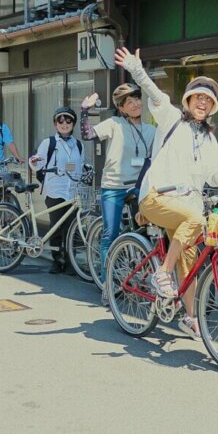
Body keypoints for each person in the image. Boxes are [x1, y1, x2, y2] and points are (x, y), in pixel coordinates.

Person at [113, 46, 218, 340]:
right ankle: (161, 273)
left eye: (208, 101)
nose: (202, 103)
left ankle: (190, 317)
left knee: (190, 262)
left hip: (185, 206)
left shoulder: (207, 135)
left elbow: (215, 171)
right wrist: (135, 67)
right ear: (188, 99)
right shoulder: (171, 117)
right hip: (156, 196)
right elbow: (153, 92)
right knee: (195, 220)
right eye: (198, 97)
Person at [80, 83, 157, 301]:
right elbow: (87, 134)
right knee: (110, 234)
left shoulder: (151, 129)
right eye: (129, 102)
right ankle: (107, 283)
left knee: (148, 232)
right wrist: (85, 111)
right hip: (113, 185)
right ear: (121, 108)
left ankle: (145, 277)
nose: (135, 104)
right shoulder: (114, 124)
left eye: (137, 99)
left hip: (139, 187)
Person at [29, 106, 86, 274]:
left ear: (73, 123)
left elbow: (81, 166)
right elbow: (37, 164)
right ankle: (56, 261)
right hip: (55, 190)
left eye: (68, 120)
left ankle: (70, 262)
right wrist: (34, 161)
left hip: (72, 192)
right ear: (55, 124)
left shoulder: (78, 145)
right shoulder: (49, 143)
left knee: (71, 228)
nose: (64, 123)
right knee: (56, 227)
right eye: (60, 120)